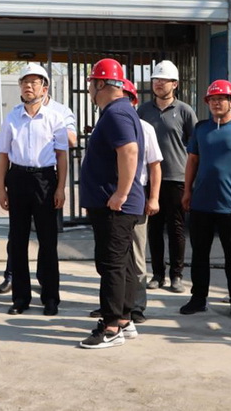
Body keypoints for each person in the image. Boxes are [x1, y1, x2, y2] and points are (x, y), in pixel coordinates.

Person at [180, 80, 231, 321]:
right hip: (201, 203)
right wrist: (187, 191)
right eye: (212, 99)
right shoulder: (201, 128)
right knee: (199, 255)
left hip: (230, 204)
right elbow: (192, 161)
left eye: (221, 99)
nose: (216, 103)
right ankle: (198, 298)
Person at [79, 59, 145, 349]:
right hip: (115, 204)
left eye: (91, 84)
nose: (90, 90)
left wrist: (121, 193)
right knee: (123, 263)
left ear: (100, 84)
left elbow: (129, 152)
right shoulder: (120, 111)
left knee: (111, 265)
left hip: (115, 206)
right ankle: (124, 319)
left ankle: (110, 327)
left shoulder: (117, 113)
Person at [0, 63, 69, 316]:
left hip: (45, 180)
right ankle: (20, 298)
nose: (28, 86)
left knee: (48, 241)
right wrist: (1, 189)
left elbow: (62, 156)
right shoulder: (12, 117)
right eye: (24, 82)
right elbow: (3, 156)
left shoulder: (55, 118)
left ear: (44, 88)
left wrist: (61, 188)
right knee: (18, 241)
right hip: (17, 179)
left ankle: (50, 297)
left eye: (34, 82)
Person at [89, 78, 162, 324]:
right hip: (116, 200)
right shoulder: (116, 117)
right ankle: (121, 312)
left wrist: (129, 194)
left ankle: (121, 317)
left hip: (123, 202)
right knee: (119, 261)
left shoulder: (126, 119)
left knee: (123, 261)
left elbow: (142, 159)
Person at [137, 60, 198, 293]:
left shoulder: (184, 111)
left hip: (176, 178)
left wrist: (192, 181)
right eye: (156, 80)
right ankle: (157, 274)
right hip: (150, 179)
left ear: (175, 84)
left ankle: (176, 275)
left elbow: (195, 146)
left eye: (164, 80)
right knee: (154, 229)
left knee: (176, 229)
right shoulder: (143, 111)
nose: (159, 83)